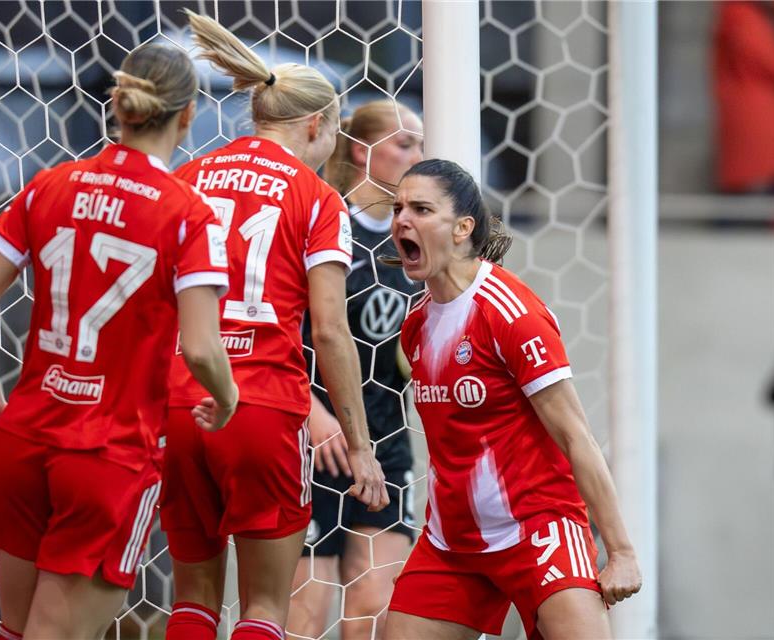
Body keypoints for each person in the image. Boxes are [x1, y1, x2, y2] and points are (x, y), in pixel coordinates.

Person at [0, 43, 237, 640]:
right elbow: (202, 349)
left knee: (15, 631)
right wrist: (228, 396)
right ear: (188, 115)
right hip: (107, 455)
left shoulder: (48, 185)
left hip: (23, 440)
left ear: (117, 102)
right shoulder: (189, 214)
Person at [160, 11, 389, 640]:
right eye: (334, 138)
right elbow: (331, 330)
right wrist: (360, 445)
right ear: (316, 125)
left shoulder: (187, 180)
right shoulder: (317, 200)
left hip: (181, 402)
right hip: (264, 407)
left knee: (192, 603)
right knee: (265, 607)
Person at [382, 159, 642, 640]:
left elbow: (575, 436)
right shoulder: (415, 325)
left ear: (463, 228)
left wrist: (621, 551)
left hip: (537, 527)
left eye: (420, 208)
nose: (402, 220)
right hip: (452, 542)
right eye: (397, 208)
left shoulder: (510, 312)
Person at [288, 100, 424, 640]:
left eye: (421, 145)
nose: (418, 155)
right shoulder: (327, 225)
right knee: (304, 611)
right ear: (364, 151)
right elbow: (278, 331)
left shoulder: (415, 243)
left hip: (385, 437)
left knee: (372, 603)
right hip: (316, 438)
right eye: (406, 143)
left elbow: (482, 267)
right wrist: (311, 410)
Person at [713, 1, 774, 193]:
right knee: (747, 204)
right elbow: (767, 59)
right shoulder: (740, 14)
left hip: (756, 127)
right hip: (755, 128)